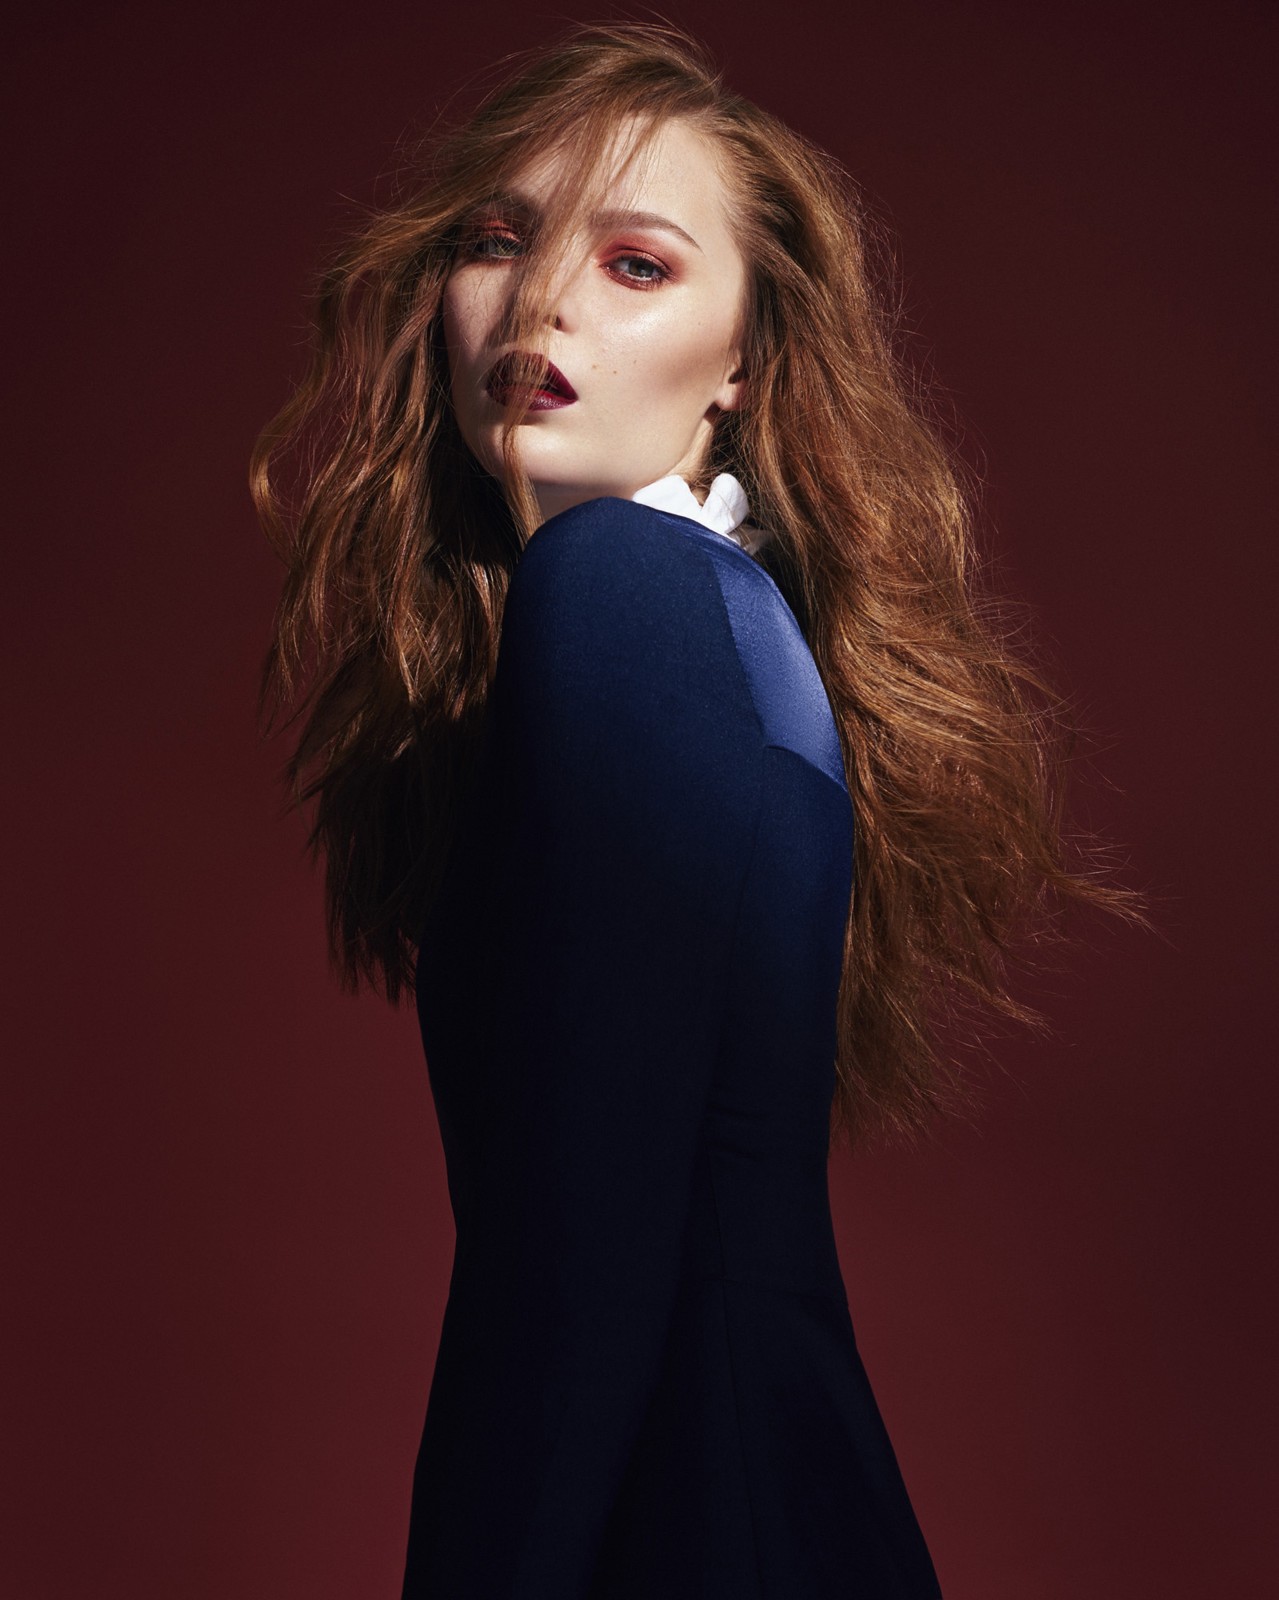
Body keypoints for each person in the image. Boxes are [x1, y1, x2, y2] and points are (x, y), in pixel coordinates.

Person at [250, 20, 1137, 1599]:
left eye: (637, 264)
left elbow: (575, 1258)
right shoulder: (715, 630)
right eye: (498, 239)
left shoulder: (625, 590)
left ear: (741, 369)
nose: (543, 298)